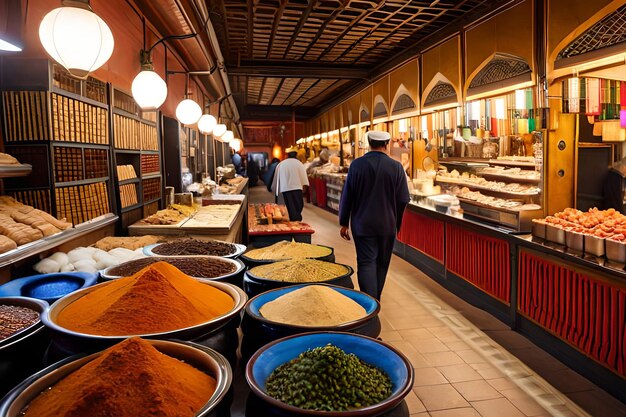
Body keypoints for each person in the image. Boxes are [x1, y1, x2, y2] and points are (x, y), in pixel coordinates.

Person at [338, 131, 410, 301]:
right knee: (382, 262)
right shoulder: (396, 167)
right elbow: (402, 200)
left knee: (366, 263)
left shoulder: (356, 165)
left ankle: (370, 302)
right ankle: (375, 299)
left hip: (362, 224)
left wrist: (344, 222)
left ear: (369, 143)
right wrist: (396, 223)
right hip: (387, 225)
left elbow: (347, 195)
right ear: (386, 144)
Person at [272, 147, 309, 221]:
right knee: (298, 206)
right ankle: (296, 220)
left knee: (290, 206)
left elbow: (276, 178)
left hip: (285, 188)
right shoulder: (300, 164)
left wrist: (276, 190)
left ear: (287, 155)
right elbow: (304, 179)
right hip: (297, 188)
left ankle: (294, 220)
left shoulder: (281, 164)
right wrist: (304, 189)